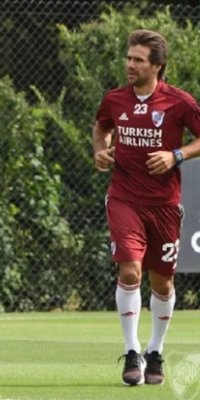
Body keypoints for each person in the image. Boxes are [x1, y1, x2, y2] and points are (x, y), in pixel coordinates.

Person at [93, 29, 200, 386]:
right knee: (129, 273)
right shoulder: (114, 100)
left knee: (163, 283)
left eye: (138, 60)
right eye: (129, 58)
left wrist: (176, 155)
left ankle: (155, 350)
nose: (130, 65)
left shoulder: (178, 102)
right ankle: (133, 350)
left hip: (165, 205)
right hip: (124, 197)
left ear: (157, 66)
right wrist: (100, 150)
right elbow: (101, 128)